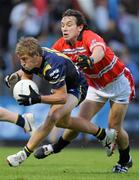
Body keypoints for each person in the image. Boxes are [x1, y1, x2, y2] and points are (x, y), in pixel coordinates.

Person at [34, 9, 135, 173]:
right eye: (62, 25)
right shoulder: (60, 44)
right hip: (95, 85)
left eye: (69, 25)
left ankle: (125, 160)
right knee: (79, 123)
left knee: (114, 127)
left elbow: (99, 51)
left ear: (80, 27)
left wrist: (91, 60)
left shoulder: (89, 36)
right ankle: (56, 148)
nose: (64, 28)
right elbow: (47, 60)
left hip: (118, 83)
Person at [6, 37, 117, 167]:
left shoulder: (52, 66)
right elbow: (27, 74)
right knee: (63, 122)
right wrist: (18, 78)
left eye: (24, 59)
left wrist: (37, 98)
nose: (22, 63)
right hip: (64, 87)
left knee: (52, 117)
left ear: (36, 55)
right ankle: (104, 135)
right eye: (21, 59)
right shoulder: (33, 58)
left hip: (77, 88)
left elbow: (62, 97)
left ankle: (22, 155)